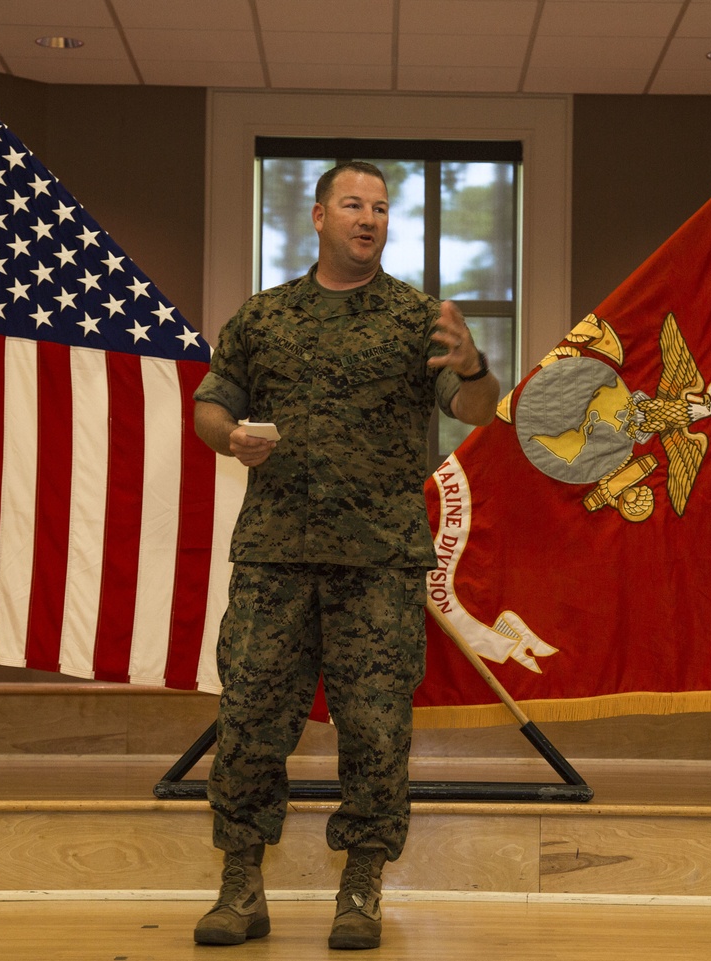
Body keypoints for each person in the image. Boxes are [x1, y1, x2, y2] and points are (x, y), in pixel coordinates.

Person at [190, 160, 500, 950]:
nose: (370, 217)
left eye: (382, 208)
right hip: (275, 557)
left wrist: (471, 363)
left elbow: (476, 409)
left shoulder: (417, 318)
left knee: (375, 727)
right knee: (252, 717)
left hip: (379, 563)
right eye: (354, 205)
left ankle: (361, 886)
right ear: (320, 217)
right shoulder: (264, 317)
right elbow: (211, 402)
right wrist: (231, 437)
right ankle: (241, 885)